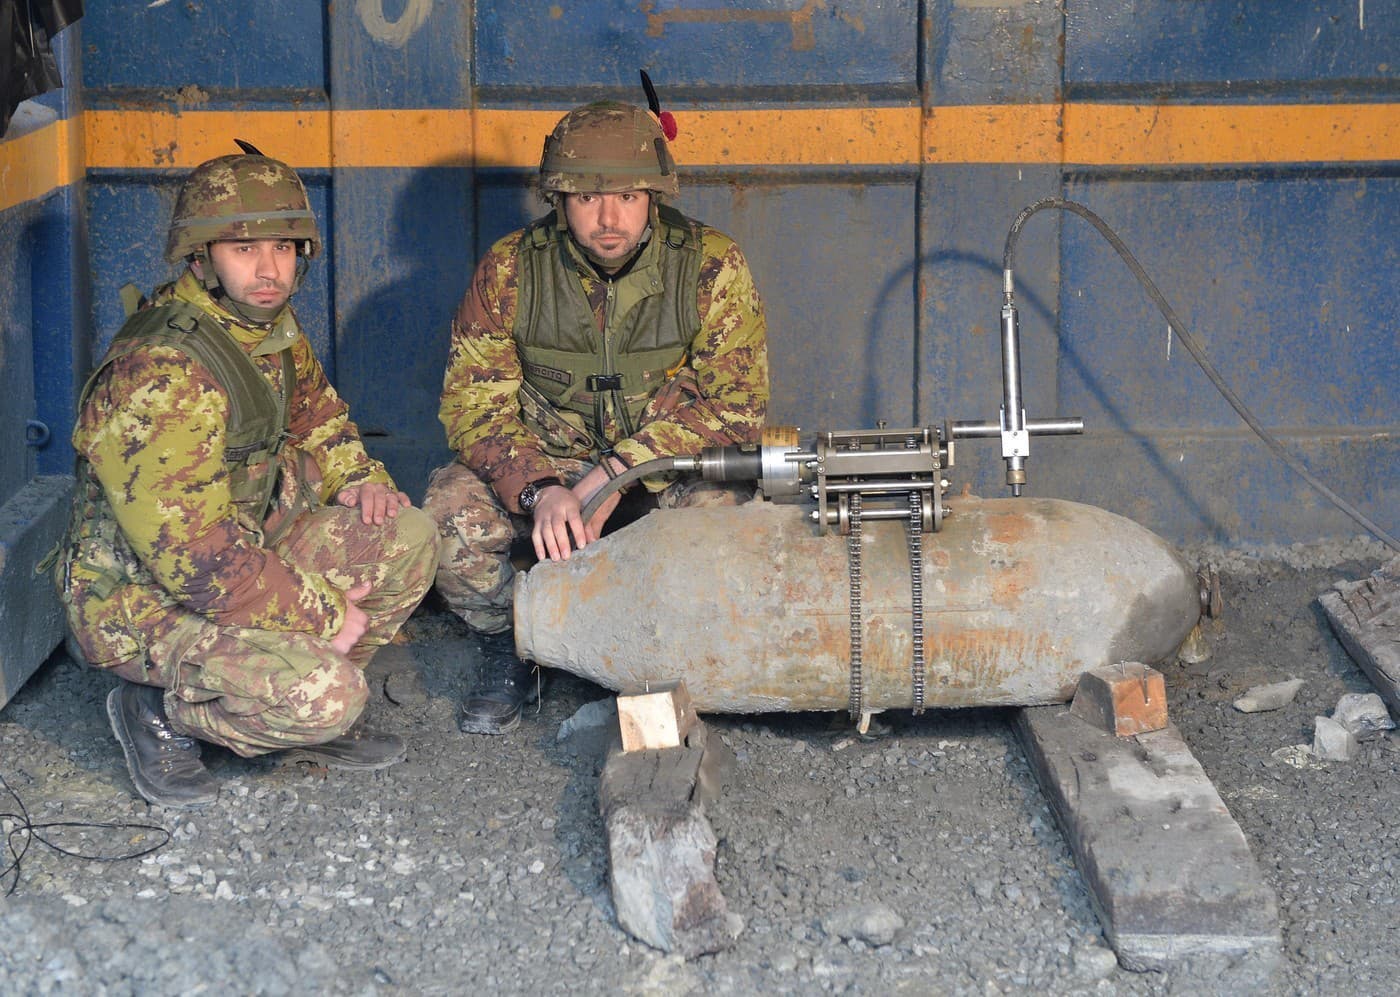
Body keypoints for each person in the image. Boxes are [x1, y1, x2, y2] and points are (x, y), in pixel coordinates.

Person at [49, 146, 439, 807]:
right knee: (330, 695)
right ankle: (159, 710)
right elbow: (197, 564)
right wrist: (323, 613)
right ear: (199, 257)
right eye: (243, 249)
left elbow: (320, 420)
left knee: (409, 533)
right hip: (144, 602)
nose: (269, 270)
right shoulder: (163, 373)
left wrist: (360, 475)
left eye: (285, 248)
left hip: (240, 551)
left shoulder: (267, 330)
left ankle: (278, 698)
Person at [424, 98, 770, 735]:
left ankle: (665, 657)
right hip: (551, 465)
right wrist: (540, 488)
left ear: (655, 196)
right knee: (448, 519)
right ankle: (519, 641)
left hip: (666, 470)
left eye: (628, 197)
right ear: (557, 200)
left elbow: (738, 409)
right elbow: (474, 408)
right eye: (586, 198)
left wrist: (616, 474)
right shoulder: (510, 270)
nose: (609, 218)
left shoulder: (710, 266)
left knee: (727, 534)